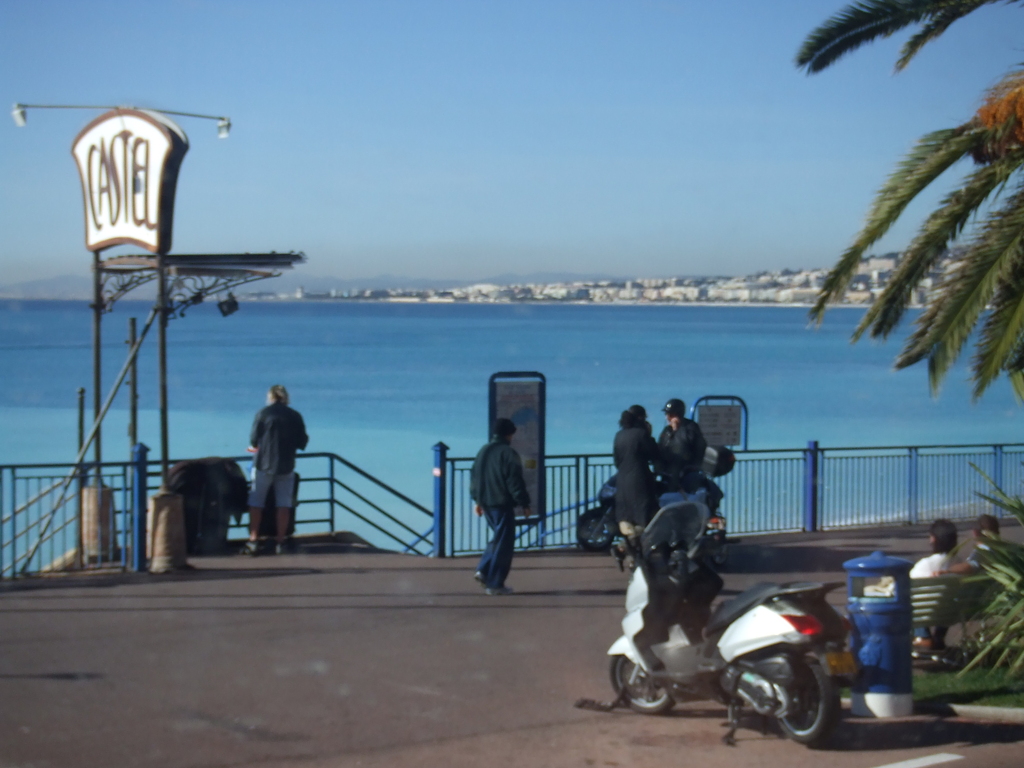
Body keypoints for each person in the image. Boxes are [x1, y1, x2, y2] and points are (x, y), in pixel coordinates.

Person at [243, 385, 309, 556]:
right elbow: (302, 442)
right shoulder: (294, 416)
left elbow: (253, 440)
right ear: (286, 397)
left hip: (263, 464)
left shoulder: (262, 414)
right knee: (284, 505)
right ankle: (281, 541)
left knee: (256, 503)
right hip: (286, 465)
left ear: (270, 397)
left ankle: (253, 540)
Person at [470, 418, 531, 595]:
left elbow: (474, 477)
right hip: (501, 503)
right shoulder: (508, 453)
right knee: (504, 543)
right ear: (509, 434)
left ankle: (483, 570)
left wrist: (477, 500)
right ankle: (495, 583)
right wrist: (524, 503)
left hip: (486, 503)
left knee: (498, 537)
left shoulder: (483, 451)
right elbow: (514, 481)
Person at [909, 518, 958, 651]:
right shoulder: (959, 564)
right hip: (947, 613)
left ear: (934, 539)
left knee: (910, 599)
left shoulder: (926, 564)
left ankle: (923, 636)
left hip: (923, 613)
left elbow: (905, 588)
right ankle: (939, 637)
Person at [613, 407, 660, 542]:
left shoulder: (619, 435)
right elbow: (654, 455)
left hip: (622, 482)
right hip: (640, 481)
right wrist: (650, 435)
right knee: (644, 517)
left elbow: (617, 461)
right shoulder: (641, 434)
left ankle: (630, 547)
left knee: (627, 518)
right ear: (640, 419)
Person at [657, 398, 707, 494]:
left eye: (670, 415)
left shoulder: (691, 428)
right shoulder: (667, 430)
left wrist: (677, 431)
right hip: (668, 473)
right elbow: (661, 447)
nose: (667, 418)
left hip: (687, 474)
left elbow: (690, 446)